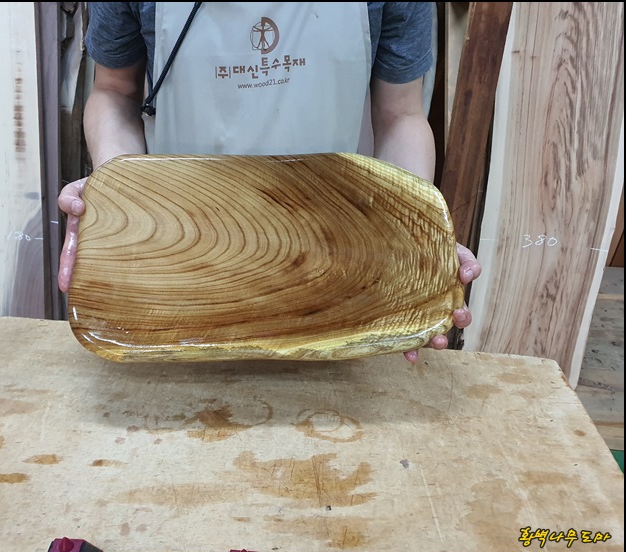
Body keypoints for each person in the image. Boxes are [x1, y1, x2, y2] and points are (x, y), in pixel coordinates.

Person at [57, 2, 482, 363]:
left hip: (338, 272)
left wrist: (411, 243)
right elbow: (115, 92)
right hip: (180, 264)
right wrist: (119, 209)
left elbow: (399, 114)